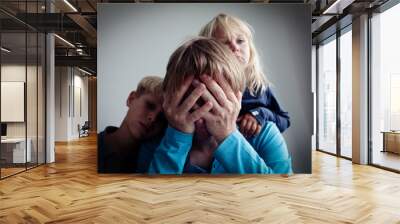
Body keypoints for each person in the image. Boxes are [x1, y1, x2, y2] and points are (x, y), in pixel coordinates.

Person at [140, 37, 292, 174]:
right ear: (169, 101)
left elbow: (282, 196)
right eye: (189, 107)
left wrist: (228, 135)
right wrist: (177, 138)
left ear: (237, 99)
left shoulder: (265, 135)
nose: (201, 118)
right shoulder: (156, 143)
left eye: (215, 105)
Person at [199, 13, 290, 137]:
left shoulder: (259, 87)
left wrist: (260, 113)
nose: (235, 47)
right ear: (209, 53)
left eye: (240, 41)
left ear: (250, 48)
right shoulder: (203, 88)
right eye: (224, 43)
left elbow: (285, 120)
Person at [98, 76, 167, 173]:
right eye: (150, 105)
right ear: (131, 99)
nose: (153, 118)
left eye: (161, 118)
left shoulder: (154, 165)